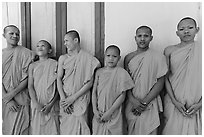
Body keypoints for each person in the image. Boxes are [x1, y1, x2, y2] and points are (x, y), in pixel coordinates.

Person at [124, 26, 168, 135]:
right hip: (132, 103)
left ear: (151, 38)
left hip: (150, 102)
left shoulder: (158, 57)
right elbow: (125, 82)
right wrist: (133, 100)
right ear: (135, 38)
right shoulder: (129, 57)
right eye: (139, 36)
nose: (142, 39)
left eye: (146, 36)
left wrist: (144, 102)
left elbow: (160, 82)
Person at [162, 17, 202, 135]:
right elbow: (165, 77)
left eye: (190, 28)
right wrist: (174, 101)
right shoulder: (169, 50)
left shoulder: (202, 49)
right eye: (182, 29)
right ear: (177, 33)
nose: (186, 31)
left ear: (197, 30)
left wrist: (200, 103)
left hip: (197, 102)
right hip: (173, 100)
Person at [57, 30, 100, 135]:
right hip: (65, 97)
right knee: (66, 129)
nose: (65, 44)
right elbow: (58, 79)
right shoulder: (63, 58)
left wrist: (73, 98)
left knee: (81, 127)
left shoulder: (87, 58)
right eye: (64, 41)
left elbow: (89, 83)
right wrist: (64, 99)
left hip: (80, 98)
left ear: (75, 40)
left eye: (67, 41)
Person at [92, 45, 134, 135]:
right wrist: (95, 110)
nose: (111, 59)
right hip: (99, 113)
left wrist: (109, 113)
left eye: (114, 56)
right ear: (104, 56)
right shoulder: (99, 72)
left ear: (119, 58)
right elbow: (94, 93)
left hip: (114, 113)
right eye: (108, 56)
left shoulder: (122, 73)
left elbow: (122, 96)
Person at [2, 25, 34, 134]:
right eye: (11, 33)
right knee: (7, 128)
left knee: (23, 129)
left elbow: (28, 77)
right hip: (5, 99)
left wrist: (12, 94)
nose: (15, 36)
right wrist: (7, 99)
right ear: (4, 35)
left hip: (21, 97)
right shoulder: (1, 54)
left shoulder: (26, 53)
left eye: (17, 34)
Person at [28, 40, 59, 135]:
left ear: (49, 50)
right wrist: (36, 103)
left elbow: (58, 87)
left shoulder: (55, 64)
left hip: (51, 103)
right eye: (37, 46)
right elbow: (30, 86)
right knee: (37, 130)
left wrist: (51, 104)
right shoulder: (32, 66)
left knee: (53, 130)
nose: (40, 47)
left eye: (43, 46)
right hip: (36, 103)